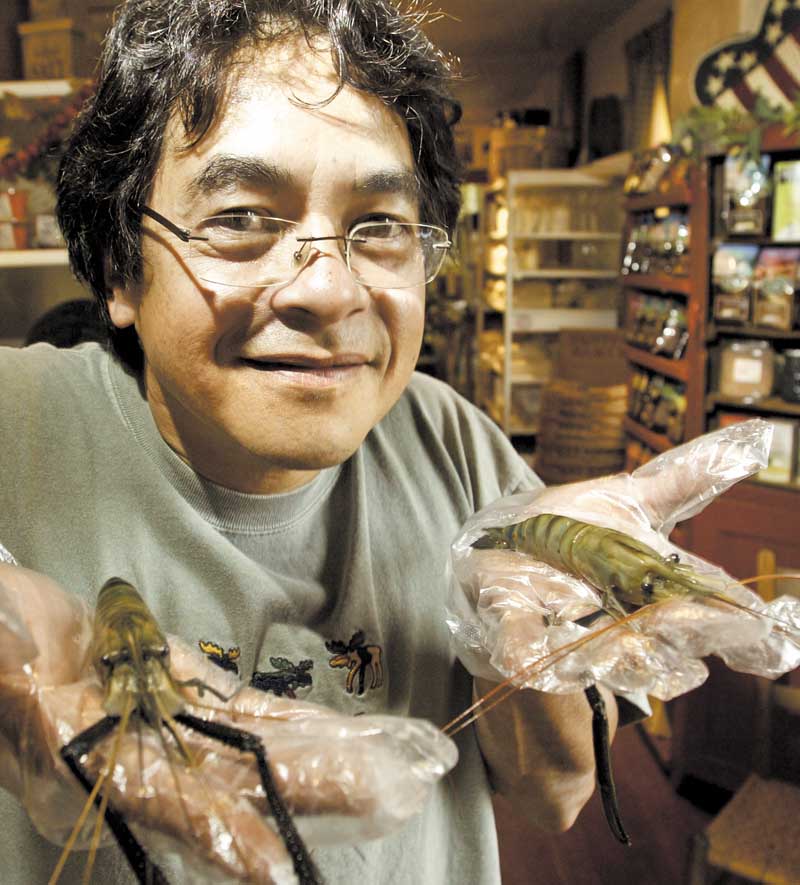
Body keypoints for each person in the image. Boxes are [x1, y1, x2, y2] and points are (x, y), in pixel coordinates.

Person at [0, 1, 742, 883]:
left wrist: (528, 649)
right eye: (241, 216)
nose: (329, 290)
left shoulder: (459, 446)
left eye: (380, 227)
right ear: (122, 267)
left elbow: (555, 795)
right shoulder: (19, 417)